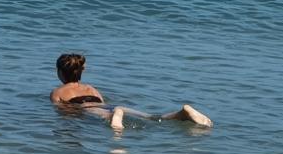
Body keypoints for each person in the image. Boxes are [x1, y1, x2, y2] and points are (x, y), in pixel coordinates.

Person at [49, 52, 211, 130]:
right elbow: (103, 102)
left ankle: (116, 115)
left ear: (61, 73)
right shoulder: (91, 88)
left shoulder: (58, 92)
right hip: (106, 105)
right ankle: (181, 113)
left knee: (108, 116)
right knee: (152, 117)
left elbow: (63, 111)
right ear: (80, 72)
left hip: (88, 108)